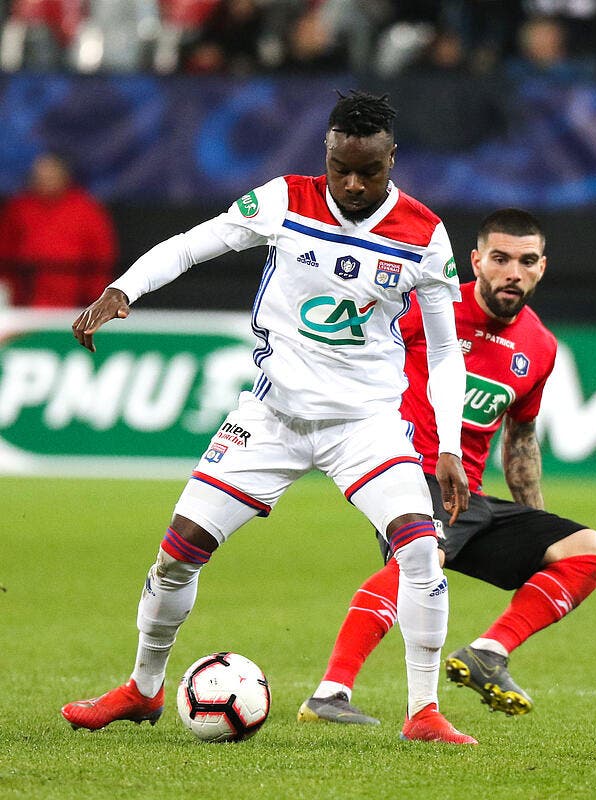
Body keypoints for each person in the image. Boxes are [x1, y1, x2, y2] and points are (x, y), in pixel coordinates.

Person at [60, 91, 478, 745]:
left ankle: (422, 712)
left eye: (369, 170)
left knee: (420, 549)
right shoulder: (286, 199)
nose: (353, 183)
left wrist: (448, 444)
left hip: (365, 424)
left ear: (393, 160)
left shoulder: (423, 234)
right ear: (327, 154)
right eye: (342, 167)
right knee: (178, 553)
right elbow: (193, 245)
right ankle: (142, 690)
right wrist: (123, 290)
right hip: (273, 414)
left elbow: (448, 352)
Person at [297, 208, 596, 725]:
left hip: (468, 493)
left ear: (542, 268)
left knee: (587, 551)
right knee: (421, 565)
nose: (512, 271)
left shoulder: (540, 345)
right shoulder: (430, 307)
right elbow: (352, 345)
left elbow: (522, 439)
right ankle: (331, 692)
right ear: (475, 260)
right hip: (407, 472)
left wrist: (536, 527)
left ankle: (489, 653)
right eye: (500, 258)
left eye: (526, 261)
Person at [0, 153, 117, 308]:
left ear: (64, 176)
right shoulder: (19, 208)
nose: (45, 180)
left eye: (51, 175)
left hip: (76, 301)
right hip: (26, 302)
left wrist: (96, 300)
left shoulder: (87, 209)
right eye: (40, 176)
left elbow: (102, 256)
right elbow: (5, 252)